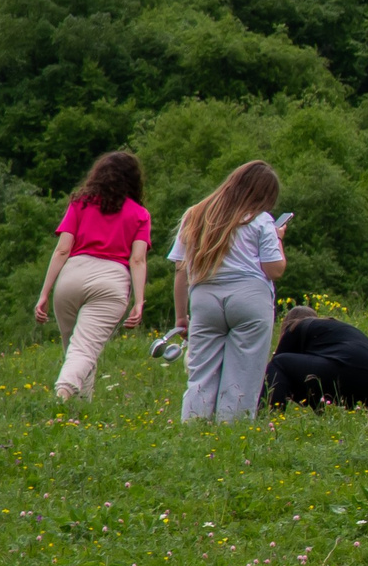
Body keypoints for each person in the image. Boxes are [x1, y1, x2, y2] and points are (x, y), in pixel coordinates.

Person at [170, 161, 289, 423]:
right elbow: (274, 269)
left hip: (204, 298)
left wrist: (181, 316)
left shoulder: (196, 215)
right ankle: (231, 431)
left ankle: (193, 428)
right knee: (244, 372)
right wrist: (279, 238)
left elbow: (181, 270)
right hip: (250, 298)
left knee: (200, 373)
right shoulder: (260, 220)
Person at [32, 152, 152, 402]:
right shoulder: (140, 214)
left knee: (76, 349)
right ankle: (63, 393)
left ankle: (79, 411)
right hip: (111, 281)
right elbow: (137, 260)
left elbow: (63, 249)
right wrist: (139, 302)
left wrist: (44, 293)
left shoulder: (80, 203)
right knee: (85, 348)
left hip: (71, 277)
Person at [266, 306, 368, 411]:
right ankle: (328, 418)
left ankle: (270, 417)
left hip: (351, 370)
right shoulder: (332, 330)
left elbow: (274, 373)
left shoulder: (296, 327)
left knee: (280, 363)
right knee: (315, 375)